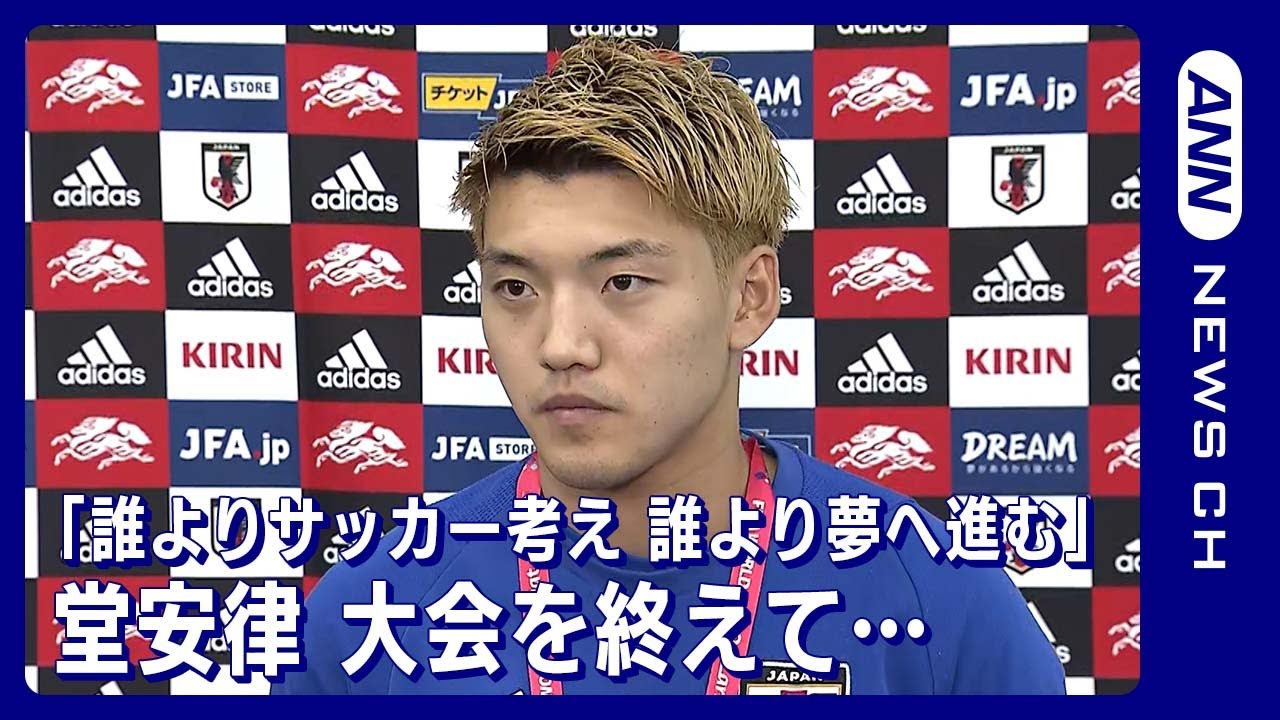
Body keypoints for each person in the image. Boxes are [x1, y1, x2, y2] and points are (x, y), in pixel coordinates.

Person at [272, 36, 1066, 695]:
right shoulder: (369, 615)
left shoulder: (937, 598)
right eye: (515, 288)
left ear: (749, 298)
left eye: (623, 282)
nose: (560, 344)